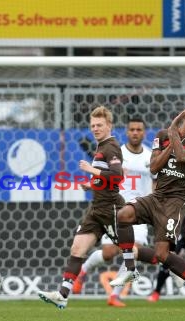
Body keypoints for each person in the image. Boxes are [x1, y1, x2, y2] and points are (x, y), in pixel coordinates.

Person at [114, 105, 185, 312]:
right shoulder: (162, 135)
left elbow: (182, 157)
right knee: (123, 215)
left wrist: (173, 133)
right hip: (157, 196)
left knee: (162, 255)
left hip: (175, 202)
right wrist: (171, 134)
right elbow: (153, 167)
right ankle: (130, 269)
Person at [37, 105, 137, 309]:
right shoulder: (101, 147)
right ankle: (63, 294)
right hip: (96, 209)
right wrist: (91, 184)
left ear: (109, 126)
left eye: (100, 125)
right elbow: (107, 179)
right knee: (77, 248)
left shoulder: (111, 146)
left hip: (110, 207)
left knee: (141, 253)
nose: (95, 128)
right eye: (92, 125)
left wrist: (91, 170)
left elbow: (117, 177)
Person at [72, 117, 158, 307]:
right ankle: (83, 271)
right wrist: (91, 184)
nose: (135, 132)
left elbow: (155, 182)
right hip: (116, 208)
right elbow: (107, 176)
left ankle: (115, 295)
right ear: (127, 132)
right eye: (132, 129)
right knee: (110, 252)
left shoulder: (150, 157)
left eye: (139, 129)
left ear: (144, 133)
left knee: (132, 250)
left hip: (139, 210)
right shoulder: (117, 152)